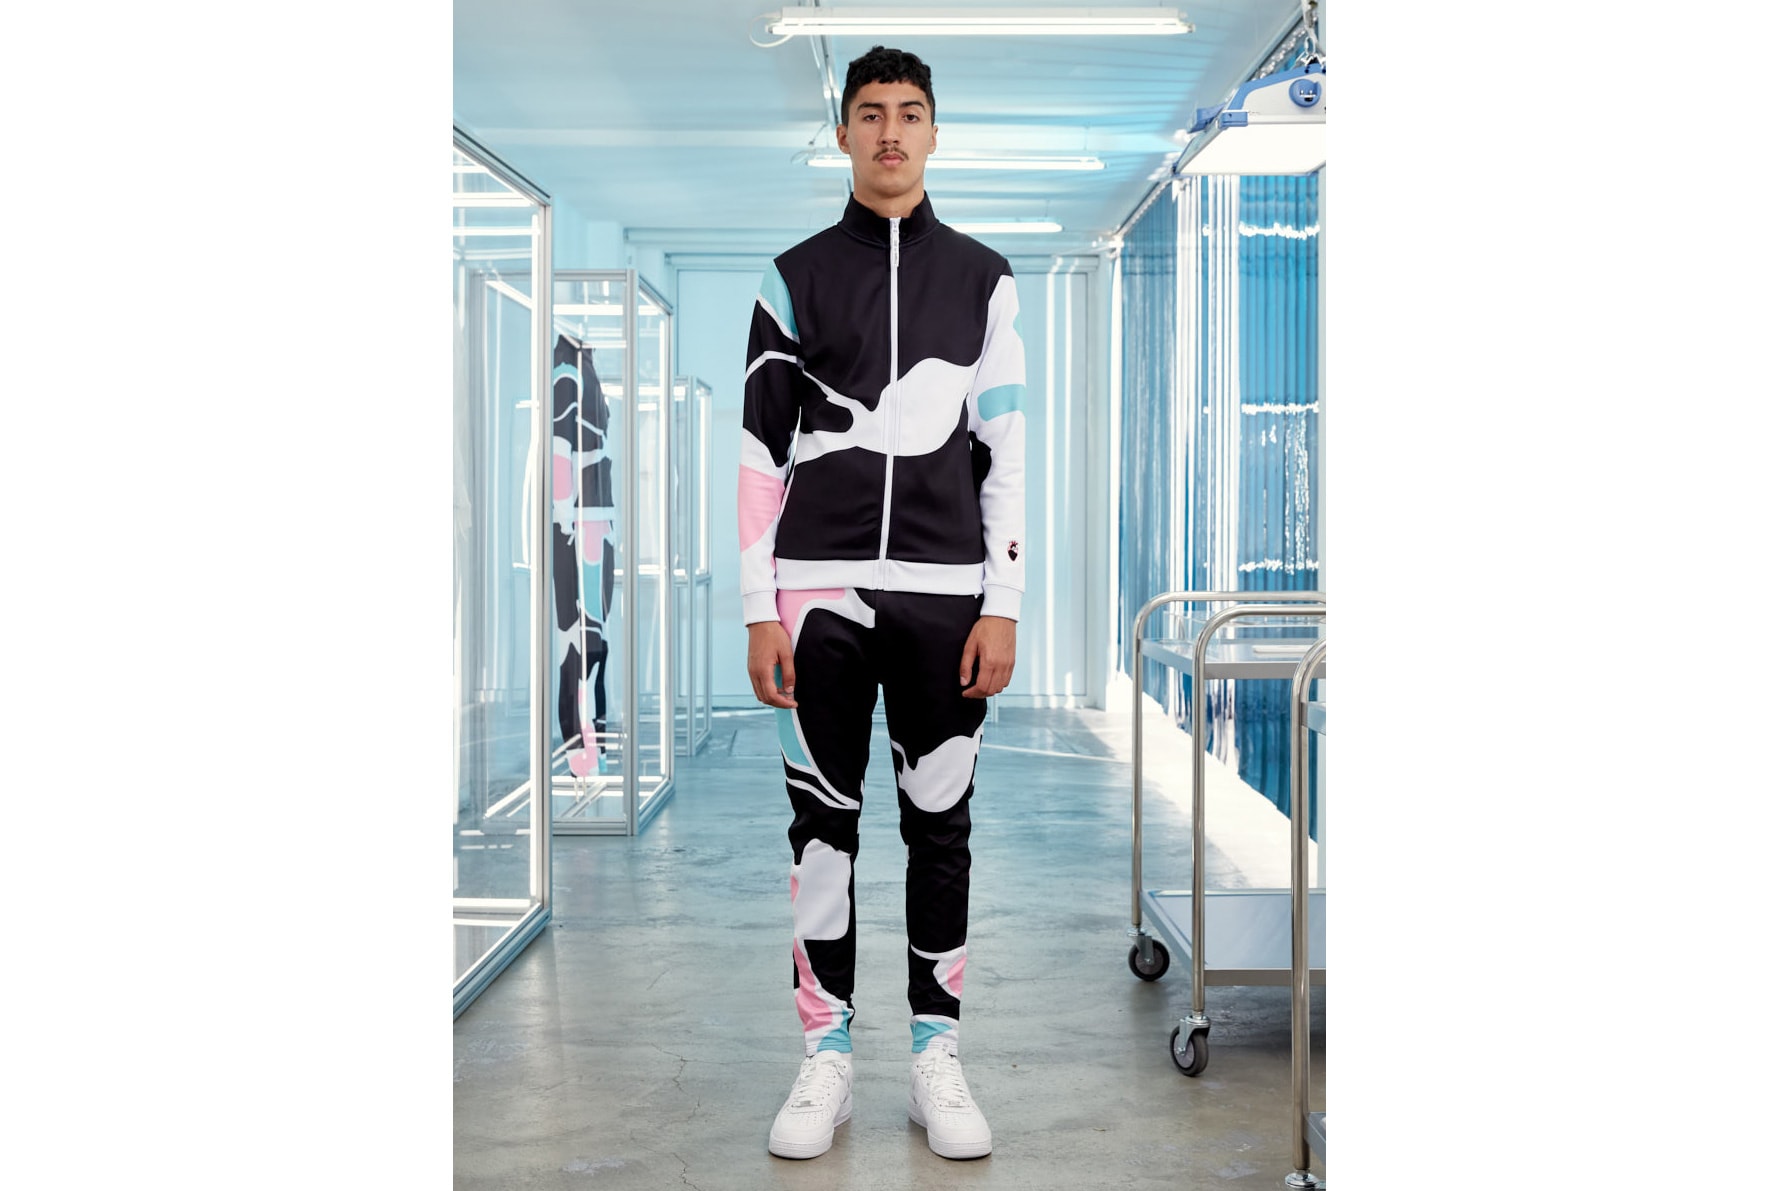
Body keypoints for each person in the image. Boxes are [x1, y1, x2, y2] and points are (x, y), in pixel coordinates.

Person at [738, 45, 1026, 1162]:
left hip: (946, 597)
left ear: (934, 132)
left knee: (939, 830)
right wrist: (758, 606)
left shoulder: (984, 280)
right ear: (844, 133)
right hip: (817, 595)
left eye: (909, 113)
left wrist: (1002, 598)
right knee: (821, 828)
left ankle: (933, 1056)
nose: (890, 132)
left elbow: (1004, 451)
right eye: (870, 113)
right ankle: (826, 1056)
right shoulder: (793, 277)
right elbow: (758, 454)